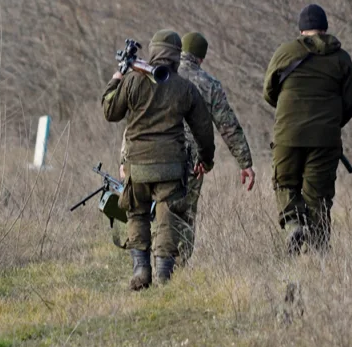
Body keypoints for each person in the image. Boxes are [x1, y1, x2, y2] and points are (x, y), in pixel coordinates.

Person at [102, 30, 216, 289]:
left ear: (153, 51)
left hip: (137, 164)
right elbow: (203, 129)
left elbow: (110, 111)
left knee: (137, 214)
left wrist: (116, 79)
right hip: (171, 167)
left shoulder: (132, 81)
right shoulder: (185, 88)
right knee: (168, 216)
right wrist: (206, 160)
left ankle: (141, 270)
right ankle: (164, 274)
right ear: (176, 55)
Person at [263, 4, 352, 253]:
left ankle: (293, 224)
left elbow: (269, 91)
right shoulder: (341, 58)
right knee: (318, 195)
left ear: (301, 29)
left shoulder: (285, 52)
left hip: (288, 134)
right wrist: (331, 121)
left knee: (285, 183)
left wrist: (288, 113)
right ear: (325, 28)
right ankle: (320, 252)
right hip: (325, 138)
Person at [176, 32, 255, 264]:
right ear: (201, 58)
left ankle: (151, 257)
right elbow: (228, 126)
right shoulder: (209, 84)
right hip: (193, 161)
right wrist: (245, 163)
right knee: (185, 213)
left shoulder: (161, 74)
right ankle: (177, 265)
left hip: (156, 153)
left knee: (157, 206)